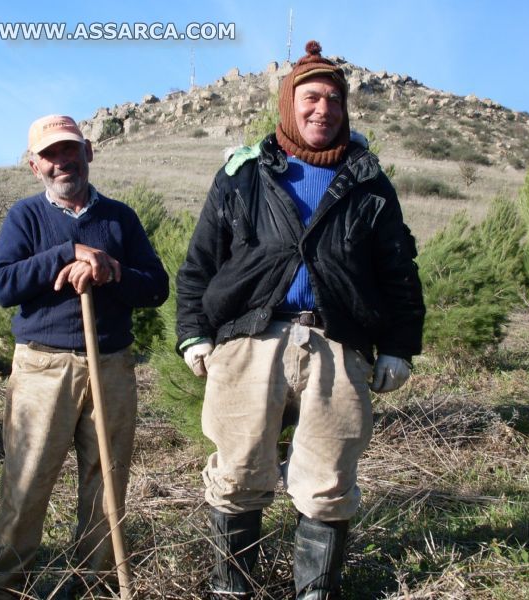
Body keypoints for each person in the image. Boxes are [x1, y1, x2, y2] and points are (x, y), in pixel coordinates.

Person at [176, 42, 425, 599]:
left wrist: (398, 347)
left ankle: (315, 594)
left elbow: (398, 272)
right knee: (238, 474)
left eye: (334, 100)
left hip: (337, 342)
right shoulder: (242, 175)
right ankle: (232, 590)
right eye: (311, 97)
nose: (323, 109)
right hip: (248, 341)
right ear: (290, 104)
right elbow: (199, 264)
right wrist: (193, 335)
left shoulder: (369, 183)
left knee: (328, 480)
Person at [0, 114, 169, 599]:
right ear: (33, 166)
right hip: (43, 368)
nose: (63, 162)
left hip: (111, 366)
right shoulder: (25, 217)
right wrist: (67, 253)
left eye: (71, 151)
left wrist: (111, 271)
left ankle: (94, 586)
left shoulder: (119, 217)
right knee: (27, 484)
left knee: (106, 485)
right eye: (50, 155)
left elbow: (157, 287)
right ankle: (3, 590)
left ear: (89, 154)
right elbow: (3, 286)